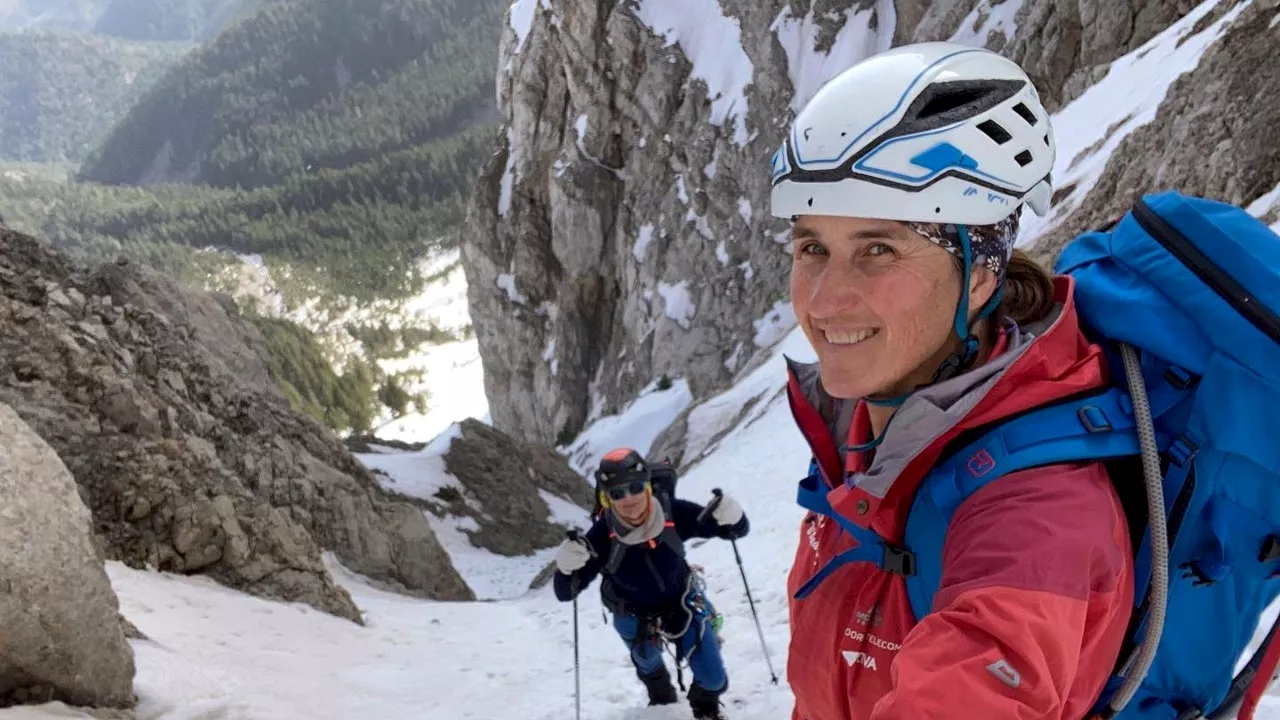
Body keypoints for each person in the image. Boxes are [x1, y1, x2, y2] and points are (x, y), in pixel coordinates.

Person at [768, 42, 1135, 719]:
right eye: (811, 247)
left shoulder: (1041, 515)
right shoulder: (863, 427)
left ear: (983, 275)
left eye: (877, 249)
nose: (821, 301)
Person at [553, 448, 749, 720]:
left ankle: (704, 707)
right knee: (647, 662)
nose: (629, 499)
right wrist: (564, 570)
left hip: (682, 603)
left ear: (647, 486)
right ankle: (661, 697)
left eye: (635, 488)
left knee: (714, 679)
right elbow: (566, 592)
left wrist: (735, 517)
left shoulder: (672, 511)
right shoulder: (601, 536)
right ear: (606, 499)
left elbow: (732, 530)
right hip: (631, 612)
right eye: (618, 493)